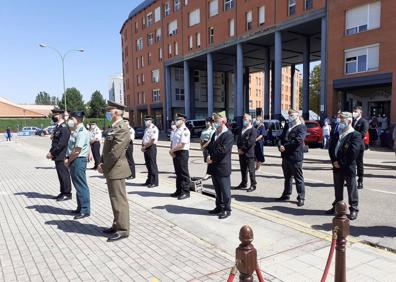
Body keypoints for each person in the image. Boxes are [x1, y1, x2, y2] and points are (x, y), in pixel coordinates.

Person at [98, 101, 132, 242]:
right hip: (111, 168)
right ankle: (116, 224)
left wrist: (104, 166)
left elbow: (115, 152)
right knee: (114, 199)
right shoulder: (114, 127)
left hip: (116, 168)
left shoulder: (122, 128)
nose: (107, 113)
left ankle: (123, 229)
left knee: (119, 200)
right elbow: (107, 149)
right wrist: (101, 162)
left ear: (117, 112)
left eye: (109, 111)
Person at [327, 112, 361, 220]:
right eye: (339, 119)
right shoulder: (337, 133)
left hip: (348, 167)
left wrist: (340, 162)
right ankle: (338, 207)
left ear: (349, 121)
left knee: (351, 189)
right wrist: (334, 161)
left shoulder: (355, 135)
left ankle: (354, 209)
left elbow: (353, 153)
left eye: (342, 120)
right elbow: (331, 148)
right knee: (338, 189)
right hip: (336, 166)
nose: (340, 122)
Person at [277, 109, 307, 207]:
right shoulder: (287, 126)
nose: (290, 116)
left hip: (295, 157)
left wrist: (285, 146)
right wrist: (280, 146)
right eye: (289, 115)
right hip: (286, 156)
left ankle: (301, 197)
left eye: (292, 114)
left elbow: (298, 141)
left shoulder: (301, 127)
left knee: (298, 178)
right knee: (287, 177)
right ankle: (286, 194)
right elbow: (281, 138)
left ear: (297, 115)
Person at [207, 111, 234, 219]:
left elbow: (223, 151)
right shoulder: (215, 133)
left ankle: (227, 209)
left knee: (225, 190)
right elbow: (210, 147)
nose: (214, 122)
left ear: (222, 121)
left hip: (222, 167)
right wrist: (208, 156)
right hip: (214, 166)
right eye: (214, 121)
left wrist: (211, 158)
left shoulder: (228, 135)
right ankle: (219, 206)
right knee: (217, 190)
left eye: (216, 120)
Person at [65, 112, 92, 220]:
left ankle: (85, 210)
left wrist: (68, 160)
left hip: (78, 160)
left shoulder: (82, 132)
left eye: (72, 118)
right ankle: (80, 207)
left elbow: (77, 150)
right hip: (75, 160)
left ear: (77, 119)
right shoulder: (76, 130)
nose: (70, 120)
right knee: (77, 185)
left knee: (81, 185)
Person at [47, 109, 72, 201]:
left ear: (60, 116)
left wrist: (52, 153)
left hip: (62, 155)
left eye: (55, 115)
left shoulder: (64, 127)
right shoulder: (58, 127)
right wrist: (51, 152)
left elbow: (61, 143)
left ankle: (67, 193)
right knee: (60, 174)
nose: (53, 117)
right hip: (58, 155)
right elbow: (55, 142)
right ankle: (62, 192)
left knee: (64, 174)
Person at [169, 113, 191, 200]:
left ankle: (185, 192)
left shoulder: (185, 130)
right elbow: (173, 141)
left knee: (183, 173)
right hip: (175, 152)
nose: (176, 121)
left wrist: (172, 150)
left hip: (182, 153)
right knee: (178, 173)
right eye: (176, 119)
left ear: (183, 120)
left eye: (178, 119)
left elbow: (182, 144)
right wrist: (172, 151)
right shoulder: (176, 130)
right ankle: (178, 190)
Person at [235, 114, 257, 192]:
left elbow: (250, 142)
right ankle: (244, 183)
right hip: (241, 153)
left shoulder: (253, 130)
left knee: (251, 170)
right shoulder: (242, 129)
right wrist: (238, 149)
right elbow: (238, 141)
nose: (244, 120)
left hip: (249, 154)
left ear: (250, 120)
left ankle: (253, 184)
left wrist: (242, 149)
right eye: (243, 119)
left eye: (245, 119)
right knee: (243, 169)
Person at [352, 106, 369, 190]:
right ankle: (351, 180)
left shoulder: (364, 121)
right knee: (351, 163)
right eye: (353, 111)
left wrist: (352, 135)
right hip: (351, 146)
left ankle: (360, 181)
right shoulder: (352, 121)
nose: (354, 112)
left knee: (359, 164)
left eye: (356, 111)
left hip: (359, 146)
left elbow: (362, 133)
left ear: (360, 113)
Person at [141, 116, 159, 188]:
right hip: (146, 148)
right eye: (145, 120)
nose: (146, 121)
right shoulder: (146, 129)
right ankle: (149, 180)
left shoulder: (154, 128)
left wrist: (145, 147)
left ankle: (154, 182)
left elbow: (152, 140)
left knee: (152, 165)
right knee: (148, 165)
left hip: (151, 147)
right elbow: (144, 139)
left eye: (147, 120)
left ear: (151, 121)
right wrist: (142, 146)